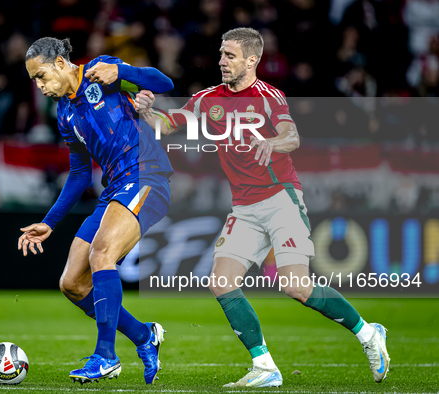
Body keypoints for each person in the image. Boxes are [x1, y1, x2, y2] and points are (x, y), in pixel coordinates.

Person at [135, 27, 390, 388]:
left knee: (295, 286)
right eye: (221, 54)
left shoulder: (269, 97)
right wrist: (148, 111)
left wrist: (274, 142)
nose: (221, 61)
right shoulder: (207, 99)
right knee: (221, 283)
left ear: (252, 60)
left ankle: (368, 335)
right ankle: (265, 367)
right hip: (243, 207)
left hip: (280, 199)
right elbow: (166, 125)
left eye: (230, 56)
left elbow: (292, 135)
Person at [17, 37, 174, 384]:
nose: (40, 86)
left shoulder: (102, 71)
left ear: (60, 64)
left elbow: (165, 84)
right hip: (114, 190)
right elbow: (78, 174)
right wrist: (50, 222)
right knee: (72, 283)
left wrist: (123, 71)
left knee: (101, 253)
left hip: (145, 174)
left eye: (41, 76)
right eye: (34, 81)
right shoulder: (64, 115)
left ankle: (105, 357)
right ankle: (145, 336)